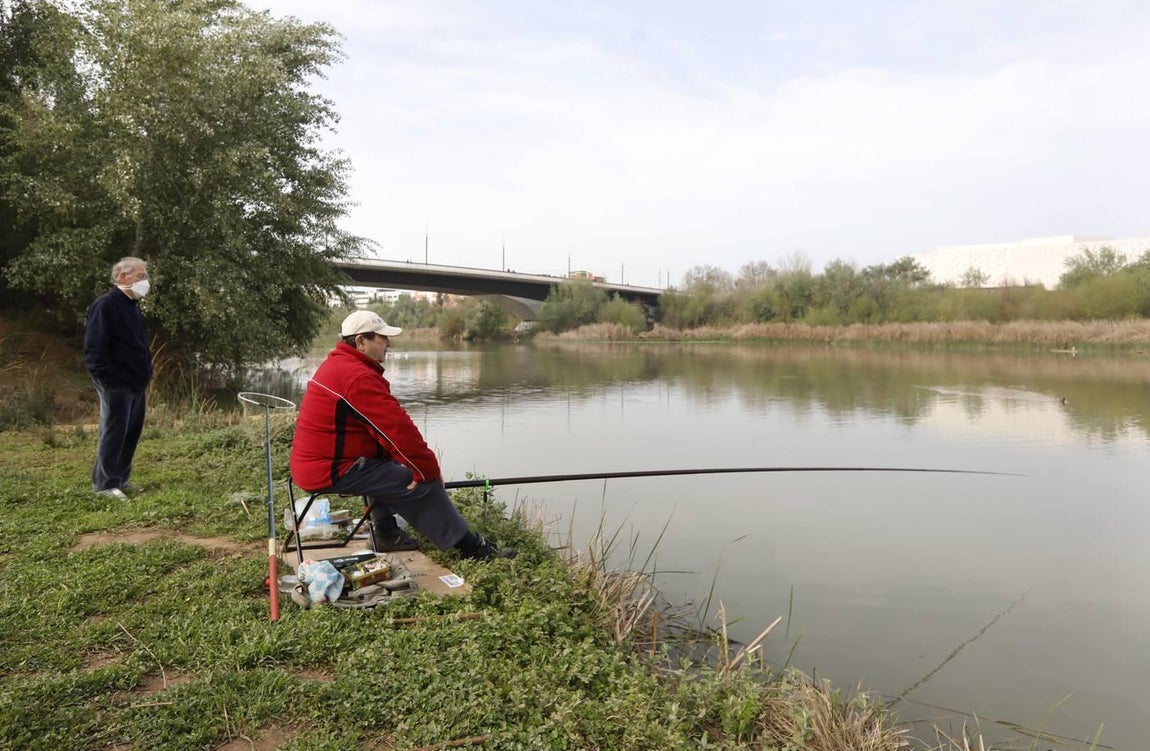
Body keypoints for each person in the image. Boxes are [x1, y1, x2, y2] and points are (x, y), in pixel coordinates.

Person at [289, 310, 514, 560]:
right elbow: (398, 431)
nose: (389, 343)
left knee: (390, 463)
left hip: (318, 464)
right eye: (382, 337)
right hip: (327, 470)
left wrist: (405, 459)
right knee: (417, 480)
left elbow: (384, 432)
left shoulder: (340, 365)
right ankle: (473, 548)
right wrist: (426, 468)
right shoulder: (357, 377)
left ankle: (386, 533)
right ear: (361, 341)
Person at [83, 256, 153, 500]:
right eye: (141, 276)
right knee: (113, 432)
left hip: (135, 382)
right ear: (123, 276)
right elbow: (94, 349)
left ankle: (121, 479)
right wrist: (110, 378)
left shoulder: (131, 307)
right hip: (116, 382)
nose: (146, 281)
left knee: (130, 432)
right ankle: (104, 485)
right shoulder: (106, 305)